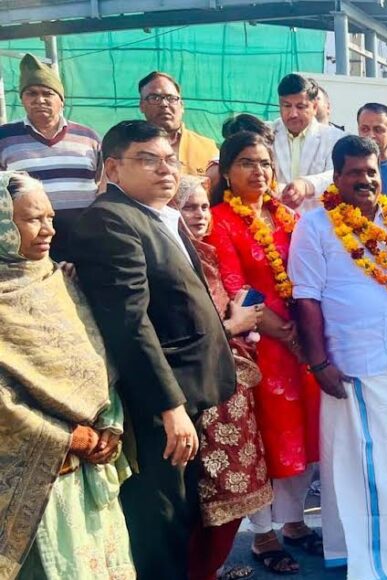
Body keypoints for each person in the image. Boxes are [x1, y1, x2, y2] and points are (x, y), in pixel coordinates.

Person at [71, 120, 237, 579]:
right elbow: (130, 322)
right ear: (113, 168)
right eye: (148, 159)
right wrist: (170, 407)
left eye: (169, 159)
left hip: (187, 393)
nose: (165, 169)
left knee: (182, 514)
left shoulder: (157, 213)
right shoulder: (111, 220)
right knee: (158, 521)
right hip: (157, 404)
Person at [290, 136, 387, 576]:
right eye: (354, 172)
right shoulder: (315, 226)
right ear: (336, 178)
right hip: (351, 365)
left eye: (371, 172)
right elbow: (307, 300)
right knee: (359, 467)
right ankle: (368, 557)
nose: (365, 180)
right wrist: (318, 364)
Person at [0, 171, 133, 580]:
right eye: (32, 219)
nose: (48, 230)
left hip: (88, 475)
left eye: (51, 218)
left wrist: (110, 423)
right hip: (35, 481)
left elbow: (94, 359)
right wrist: (70, 437)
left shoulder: (57, 279)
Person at [206, 131, 323, 575]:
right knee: (269, 441)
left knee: (304, 438)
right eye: (246, 163)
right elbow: (236, 287)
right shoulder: (220, 220)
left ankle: (293, 524)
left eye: (265, 163)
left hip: (302, 342)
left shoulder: (286, 215)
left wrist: (303, 334)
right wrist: (286, 333)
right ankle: (263, 536)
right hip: (261, 348)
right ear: (227, 171)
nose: (258, 171)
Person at [170, 176, 273, 580]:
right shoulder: (173, 259)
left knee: (236, 493)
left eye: (202, 206)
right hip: (202, 395)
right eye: (188, 207)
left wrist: (241, 324)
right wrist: (233, 325)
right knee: (210, 495)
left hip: (231, 389)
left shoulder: (207, 255)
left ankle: (209, 570)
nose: (198, 215)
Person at [0, 55, 101, 263]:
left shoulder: (88, 137)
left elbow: (100, 183)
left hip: (84, 238)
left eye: (47, 93)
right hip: (30, 242)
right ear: (22, 99)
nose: (40, 100)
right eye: (31, 93)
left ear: (61, 100)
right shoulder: (4, 137)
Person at [270, 74, 347, 212]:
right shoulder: (266, 134)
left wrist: (307, 185)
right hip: (272, 221)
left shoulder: (335, 138)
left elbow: (340, 176)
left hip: (319, 223)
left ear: (315, 106)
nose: (293, 113)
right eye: (286, 106)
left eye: (300, 107)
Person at [138, 71, 218, 177]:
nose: (164, 104)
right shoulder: (128, 149)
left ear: (182, 106)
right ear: (142, 106)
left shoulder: (208, 148)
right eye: (155, 98)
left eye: (171, 98)